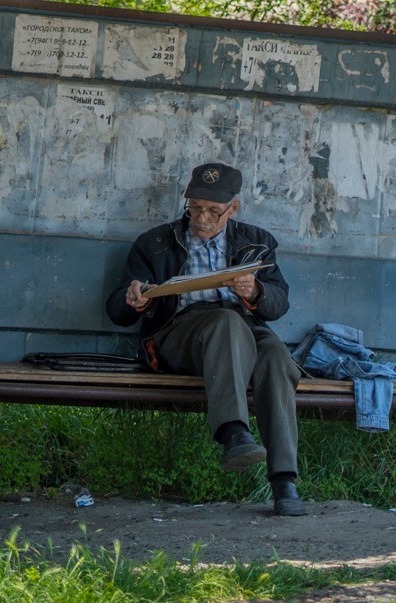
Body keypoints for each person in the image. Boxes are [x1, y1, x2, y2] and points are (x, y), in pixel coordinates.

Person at [106, 163, 306, 517]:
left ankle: (284, 481)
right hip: (179, 331)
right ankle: (234, 434)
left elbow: (279, 303)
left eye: (214, 211)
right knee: (224, 322)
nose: (202, 218)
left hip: (244, 326)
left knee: (276, 354)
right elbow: (117, 310)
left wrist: (255, 291)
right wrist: (133, 298)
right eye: (195, 208)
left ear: (233, 209)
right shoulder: (155, 243)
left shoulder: (257, 242)